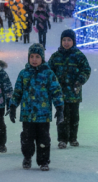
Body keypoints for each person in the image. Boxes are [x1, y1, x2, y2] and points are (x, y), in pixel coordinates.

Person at [9, 43, 64, 171]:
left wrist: (59, 108)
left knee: (43, 139)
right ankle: (27, 157)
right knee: (27, 138)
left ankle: (43, 161)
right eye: (32, 56)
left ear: (42, 58)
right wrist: (13, 106)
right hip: (27, 115)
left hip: (43, 115)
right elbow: (17, 92)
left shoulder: (49, 74)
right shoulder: (23, 74)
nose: (34, 59)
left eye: (37, 57)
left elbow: (56, 91)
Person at [49, 28, 91, 148]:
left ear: (73, 41)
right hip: (60, 93)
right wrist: (53, 83)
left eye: (69, 40)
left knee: (73, 117)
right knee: (62, 117)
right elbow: (49, 71)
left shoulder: (78, 56)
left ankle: (73, 138)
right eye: (64, 40)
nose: (66, 42)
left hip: (74, 93)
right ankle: (62, 139)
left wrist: (79, 81)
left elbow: (86, 70)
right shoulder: (56, 56)